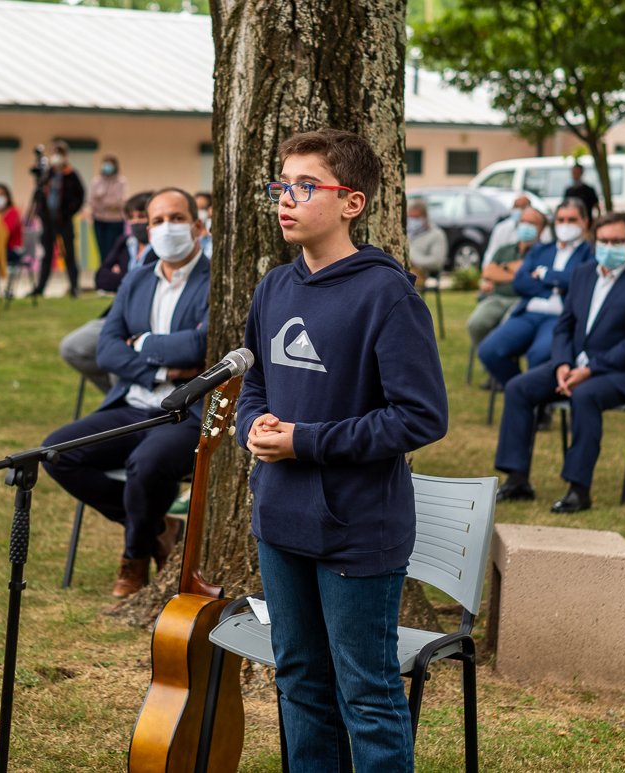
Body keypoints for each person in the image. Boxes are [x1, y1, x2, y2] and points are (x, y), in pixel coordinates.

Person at [238, 129, 447, 772]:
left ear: (352, 202)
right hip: (280, 519)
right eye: (283, 185)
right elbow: (255, 380)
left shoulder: (387, 295)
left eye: (306, 186)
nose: (286, 198)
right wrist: (253, 423)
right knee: (299, 679)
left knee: (366, 692)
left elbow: (420, 417)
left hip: (357, 527)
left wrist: (305, 442)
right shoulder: (275, 287)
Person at [41, 187, 209, 599]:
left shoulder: (215, 281)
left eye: (176, 218)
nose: (167, 228)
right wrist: (163, 369)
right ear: (146, 230)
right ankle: (155, 526)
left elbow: (200, 346)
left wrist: (143, 343)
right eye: (157, 221)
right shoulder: (136, 280)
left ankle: (134, 558)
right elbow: (107, 350)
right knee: (56, 453)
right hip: (134, 405)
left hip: (186, 413)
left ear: (198, 226)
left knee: (145, 465)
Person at [494, 212, 625, 513]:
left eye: (617, 241)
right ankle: (517, 479)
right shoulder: (583, 273)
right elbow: (564, 326)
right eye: (604, 241)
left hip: (621, 372)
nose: (609, 247)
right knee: (519, 387)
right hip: (573, 366)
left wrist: (589, 370)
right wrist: (561, 363)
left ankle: (578, 489)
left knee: (585, 395)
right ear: (594, 242)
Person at [477, 199, 593, 387]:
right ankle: (520, 391)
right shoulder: (541, 250)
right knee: (489, 351)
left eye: (572, 220)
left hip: (560, 318)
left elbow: (581, 280)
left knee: (539, 355)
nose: (565, 225)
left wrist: (545, 275)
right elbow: (520, 282)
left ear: (585, 222)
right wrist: (558, 283)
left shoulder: (589, 252)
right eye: (561, 220)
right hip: (528, 313)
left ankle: (530, 396)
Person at [59, 191, 155, 394]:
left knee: (116, 361)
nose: (136, 222)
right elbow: (101, 278)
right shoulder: (124, 242)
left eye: (141, 216)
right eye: (131, 217)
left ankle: (126, 398)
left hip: (145, 322)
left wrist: (121, 277)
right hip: (115, 315)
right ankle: (117, 396)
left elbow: (147, 284)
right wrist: (129, 279)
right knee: (72, 348)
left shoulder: (162, 249)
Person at [467, 207, 547, 349]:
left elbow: (533, 280)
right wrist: (519, 272)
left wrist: (503, 268)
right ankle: (488, 357)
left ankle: (501, 357)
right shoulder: (504, 250)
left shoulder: (545, 252)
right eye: (523, 221)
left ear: (542, 229)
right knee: (475, 323)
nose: (526, 226)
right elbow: (488, 272)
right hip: (497, 298)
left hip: (524, 301)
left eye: (532, 223)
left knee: (506, 329)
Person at [33, 140, 86, 297]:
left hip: (64, 220)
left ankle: (74, 287)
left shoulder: (71, 175)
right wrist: (41, 212)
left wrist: (69, 211)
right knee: (47, 255)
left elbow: (80, 196)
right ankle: (40, 287)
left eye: (60, 153)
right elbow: (38, 195)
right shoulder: (47, 174)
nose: (57, 156)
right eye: (55, 152)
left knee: (69, 254)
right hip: (48, 221)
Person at [88, 155, 127, 262]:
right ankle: (104, 270)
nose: (107, 166)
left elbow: (119, 202)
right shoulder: (96, 181)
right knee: (102, 250)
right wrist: (108, 203)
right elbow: (91, 201)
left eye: (110, 164)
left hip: (115, 220)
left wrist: (101, 200)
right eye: (105, 163)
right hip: (99, 220)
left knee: (113, 250)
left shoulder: (121, 181)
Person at [482, 194, 531, 267]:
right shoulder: (501, 228)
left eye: (523, 207)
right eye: (516, 206)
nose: (519, 210)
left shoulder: (532, 230)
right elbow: (491, 252)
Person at [406, 198, 447, 278]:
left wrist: (414, 261)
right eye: (410, 217)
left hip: (421, 273)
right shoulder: (406, 232)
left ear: (425, 217)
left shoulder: (436, 234)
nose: (412, 221)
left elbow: (436, 262)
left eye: (416, 217)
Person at [195, 190, 213, 258]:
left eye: (203, 208)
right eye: (196, 208)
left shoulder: (212, 236)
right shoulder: (189, 235)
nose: (199, 211)